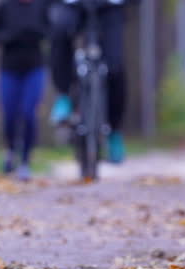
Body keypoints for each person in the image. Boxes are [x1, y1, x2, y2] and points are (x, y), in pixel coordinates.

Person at [48, 0, 132, 165]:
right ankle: (64, 95)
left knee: (115, 66)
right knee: (59, 32)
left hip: (109, 8)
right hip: (75, 6)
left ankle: (114, 131)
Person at [0, 0, 51, 181]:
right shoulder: (4, 7)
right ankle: (10, 151)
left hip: (35, 69)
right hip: (9, 70)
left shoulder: (41, 6)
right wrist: (10, 36)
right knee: (9, 114)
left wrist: (36, 33)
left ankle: (25, 161)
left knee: (29, 113)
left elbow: (52, 32)